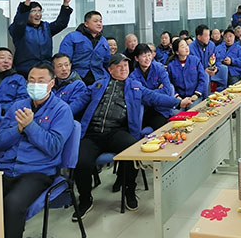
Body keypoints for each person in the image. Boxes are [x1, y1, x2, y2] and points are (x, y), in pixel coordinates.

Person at [74, 54, 189, 219]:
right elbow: (79, 102)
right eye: (119, 66)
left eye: (126, 66)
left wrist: (177, 102)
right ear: (110, 69)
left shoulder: (135, 86)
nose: (123, 69)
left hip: (117, 132)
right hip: (93, 133)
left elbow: (154, 97)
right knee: (80, 160)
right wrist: (61, 113)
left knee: (133, 150)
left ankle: (130, 190)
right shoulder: (97, 85)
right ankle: (85, 199)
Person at [0, 62, 73, 238]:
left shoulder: (61, 110)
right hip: (7, 167)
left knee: (13, 203)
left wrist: (30, 126)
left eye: (41, 81)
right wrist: (18, 129)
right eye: (31, 80)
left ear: (51, 83)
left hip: (38, 171)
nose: (35, 84)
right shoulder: (17, 106)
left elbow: (53, 146)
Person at [8, 0, 74, 77]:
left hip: (46, 70)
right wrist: (27, 1)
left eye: (39, 11)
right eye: (33, 11)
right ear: (27, 13)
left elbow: (61, 23)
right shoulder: (18, 29)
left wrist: (65, 4)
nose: (38, 14)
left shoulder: (46, 27)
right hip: (26, 71)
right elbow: (19, 22)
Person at [59, 11, 111, 86]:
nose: (99, 24)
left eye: (100, 21)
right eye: (95, 21)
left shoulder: (103, 41)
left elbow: (107, 62)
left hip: (99, 78)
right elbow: (64, 59)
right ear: (86, 24)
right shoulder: (72, 37)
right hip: (76, 78)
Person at [129, 43, 175, 119]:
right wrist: (157, 91)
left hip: (161, 108)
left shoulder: (159, 68)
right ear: (136, 58)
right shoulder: (133, 77)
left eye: (149, 55)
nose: (147, 59)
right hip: (144, 111)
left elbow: (167, 90)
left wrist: (146, 93)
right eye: (144, 56)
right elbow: (138, 97)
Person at [0, 47, 30, 112]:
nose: (6, 61)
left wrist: (3, 109)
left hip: (8, 113)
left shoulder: (19, 79)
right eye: (2, 58)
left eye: (9, 58)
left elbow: (23, 98)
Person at [167, 39, 208, 106]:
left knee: (191, 108)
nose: (186, 48)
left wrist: (196, 94)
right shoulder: (171, 65)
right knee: (176, 111)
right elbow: (169, 83)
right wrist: (177, 96)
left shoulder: (195, 60)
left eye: (187, 45)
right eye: (183, 47)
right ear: (177, 52)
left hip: (195, 96)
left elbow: (202, 79)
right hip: (179, 98)